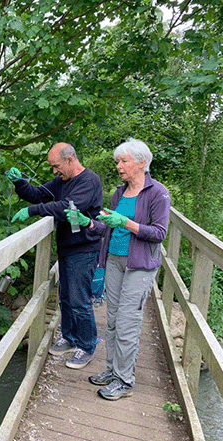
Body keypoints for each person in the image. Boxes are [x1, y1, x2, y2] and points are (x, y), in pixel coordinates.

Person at [66, 138, 171, 400]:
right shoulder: (118, 192)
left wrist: (126, 222)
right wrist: (87, 222)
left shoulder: (158, 193)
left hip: (140, 265)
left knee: (127, 323)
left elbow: (159, 233)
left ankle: (125, 380)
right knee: (112, 319)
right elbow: (107, 227)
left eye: (124, 161)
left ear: (141, 162)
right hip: (113, 259)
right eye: (117, 162)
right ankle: (112, 371)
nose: (119, 166)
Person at [7, 142, 102, 369]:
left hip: (84, 248)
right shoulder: (62, 181)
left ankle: (87, 346)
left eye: (56, 166)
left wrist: (32, 211)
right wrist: (20, 182)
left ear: (70, 160)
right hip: (67, 247)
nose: (54, 171)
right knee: (66, 298)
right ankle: (69, 338)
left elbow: (65, 207)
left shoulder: (89, 181)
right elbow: (38, 194)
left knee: (80, 300)